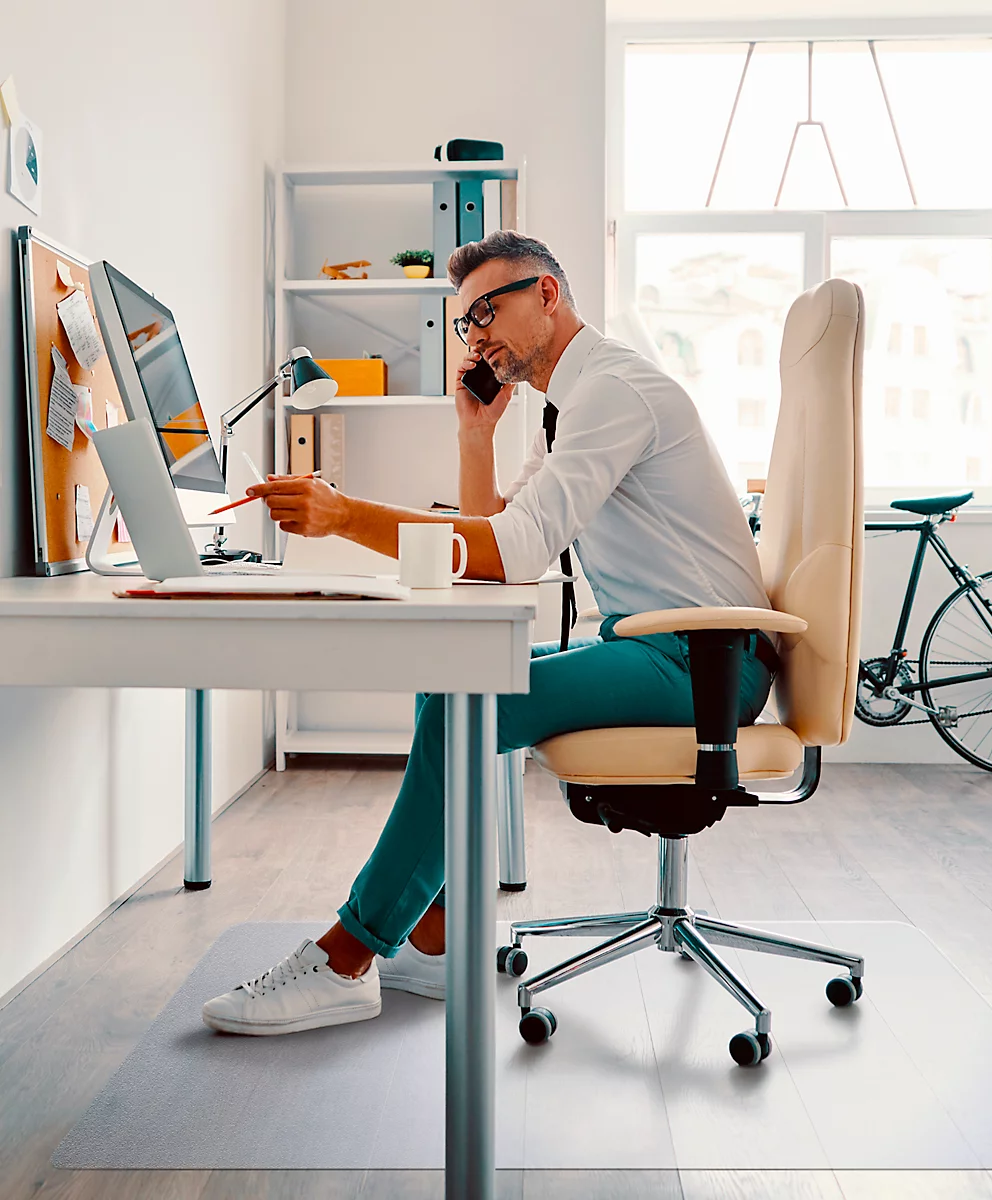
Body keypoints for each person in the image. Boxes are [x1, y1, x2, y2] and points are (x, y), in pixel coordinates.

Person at [201, 230, 778, 1035]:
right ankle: (431, 946)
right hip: (656, 650)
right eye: (465, 323)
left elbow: (510, 554)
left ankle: (346, 958)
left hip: (706, 662)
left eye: (488, 310)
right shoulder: (572, 406)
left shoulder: (615, 391)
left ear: (547, 294)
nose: (476, 336)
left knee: (463, 701)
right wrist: (475, 435)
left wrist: (340, 514)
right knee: (449, 680)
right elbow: (498, 538)